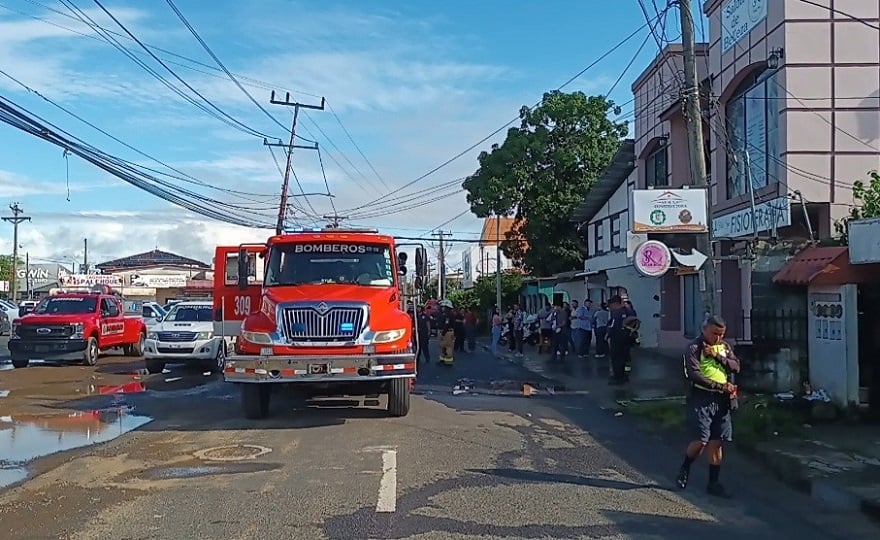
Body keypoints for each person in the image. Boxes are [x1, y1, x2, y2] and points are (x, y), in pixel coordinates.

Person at [676, 315, 740, 498]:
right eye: (714, 334)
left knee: (716, 442)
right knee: (700, 441)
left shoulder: (725, 348)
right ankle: (685, 467)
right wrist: (720, 386)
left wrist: (718, 357)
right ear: (704, 330)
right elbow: (694, 375)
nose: (718, 338)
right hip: (701, 398)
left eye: (721, 334)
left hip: (722, 401)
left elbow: (736, 367)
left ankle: (713, 483)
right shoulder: (693, 348)